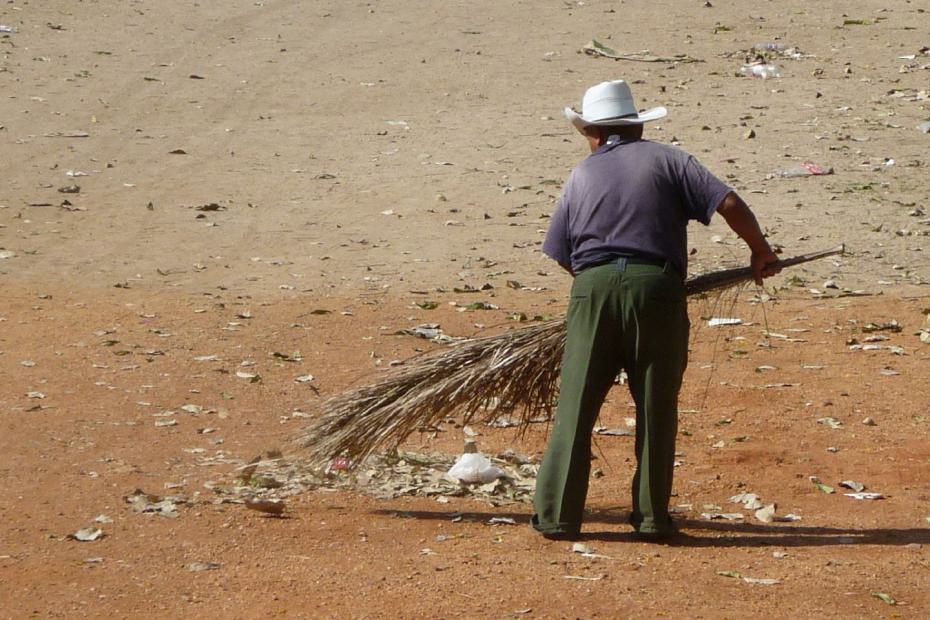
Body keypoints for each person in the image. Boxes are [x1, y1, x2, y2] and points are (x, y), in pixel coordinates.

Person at [532, 79, 781, 542]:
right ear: (637, 127)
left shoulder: (580, 176)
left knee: (576, 408)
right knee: (655, 406)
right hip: (657, 287)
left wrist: (599, 285)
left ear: (593, 132)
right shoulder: (671, 160)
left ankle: (556, 518)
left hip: (591, 289)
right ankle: (650, 520)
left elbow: (562, 252)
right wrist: (760, 252)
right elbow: (728, 202)